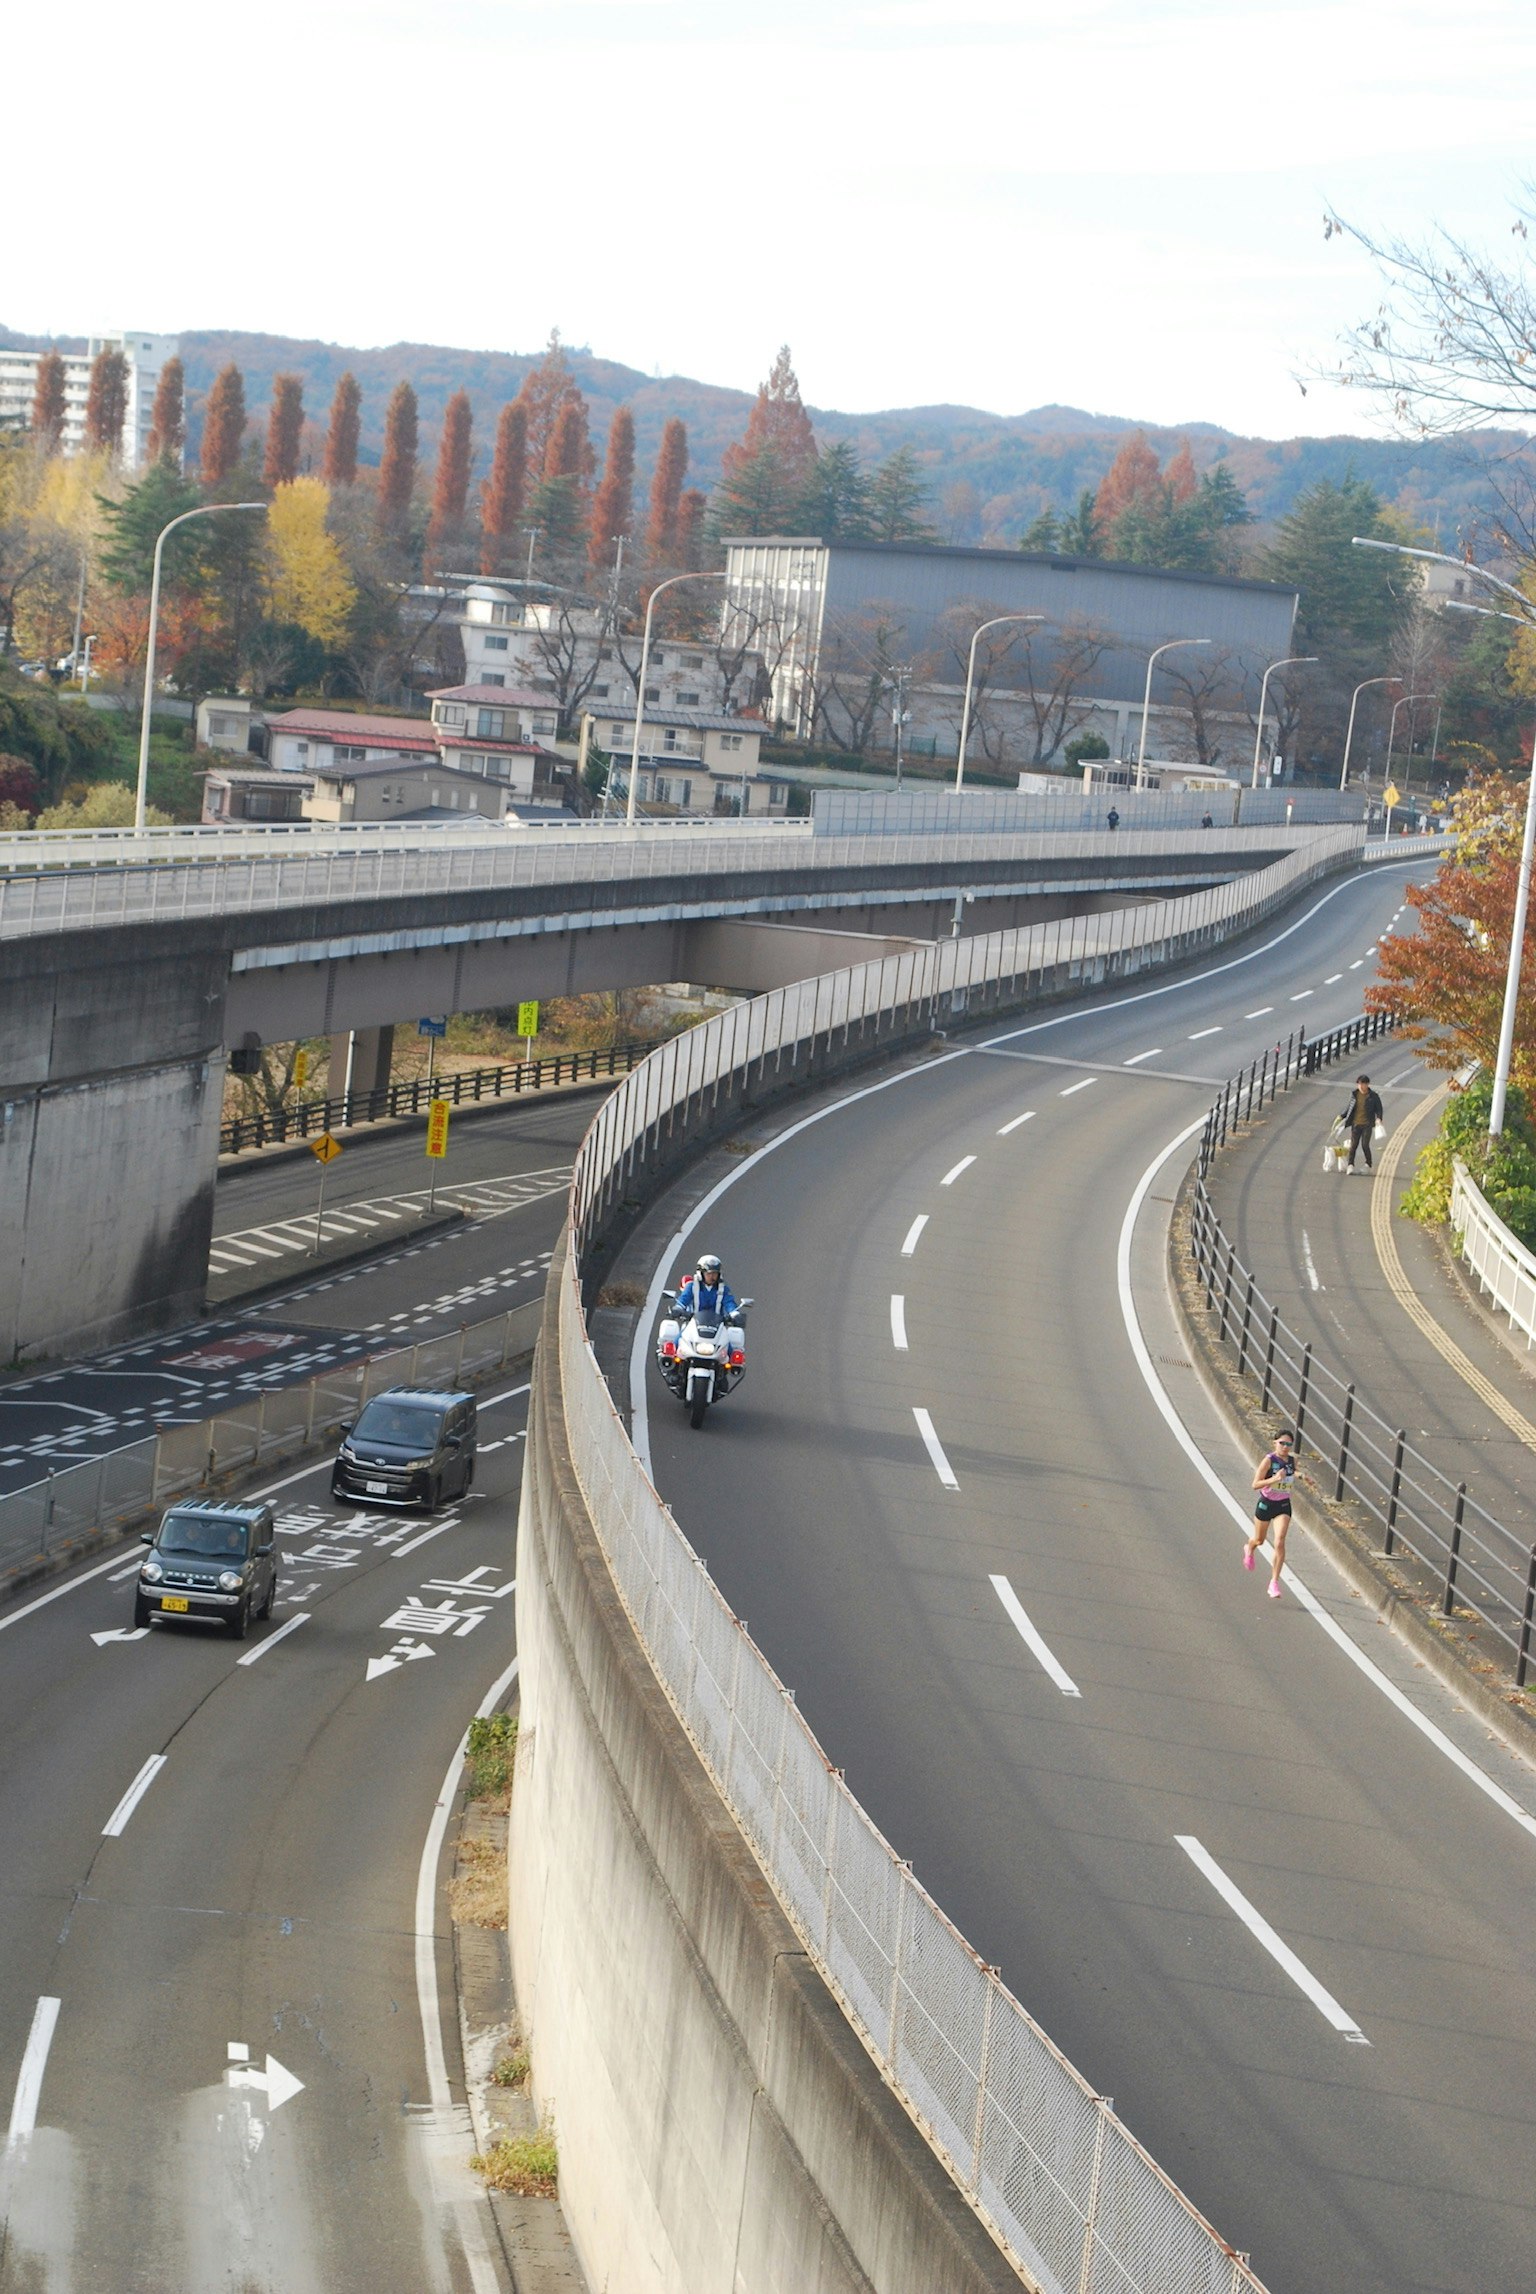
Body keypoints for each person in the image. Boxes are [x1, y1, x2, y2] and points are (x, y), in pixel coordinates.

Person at [1245, 1430, 1296, 1598]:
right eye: (1282, 1443)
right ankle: (1250, 1547)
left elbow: (1292, 1474)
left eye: (1288, 1444)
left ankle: (1274, 1582)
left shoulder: (1292, 1461)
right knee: (1259, 1540)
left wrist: (1302, 1476)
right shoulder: (1269, 1460)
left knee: (1280, 1541)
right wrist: (1274, 1479)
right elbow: (1255, 1484)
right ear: (1275, 1443)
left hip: (1283, 1505)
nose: (1285, 1447)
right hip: (1266, 1504)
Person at [675, 1253, 740, 1323]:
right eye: (709, 1274)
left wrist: (735, 1314)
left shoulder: (723, 1289)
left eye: (715, 1273)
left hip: (717, 1326)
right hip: (693, 1324)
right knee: (676, 1333)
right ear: (701, 1273)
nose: (712, 1277)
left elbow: (729, 1303)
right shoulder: (692, 1286)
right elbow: (684, 1299)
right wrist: (678, 1308)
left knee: (736, 1333)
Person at [1340, 1074, 1385, 1173]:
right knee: (1353, 1146)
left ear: (1367, 1084)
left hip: (1367, 1124)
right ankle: (1350, 1165)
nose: (1360, 1086)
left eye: (1363, 1084)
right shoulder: (1354, 1095)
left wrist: (1379, 1118)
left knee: (1365, 1145)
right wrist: (1341, 1116)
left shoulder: (1373, 1096)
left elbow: (1379, 1109)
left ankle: (1368, 1164)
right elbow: (1349, 1108)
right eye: (1359, 1084)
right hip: (1356, 1124)